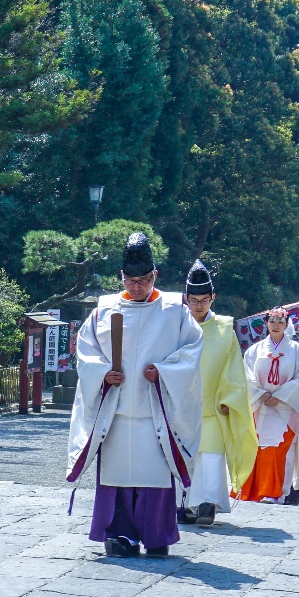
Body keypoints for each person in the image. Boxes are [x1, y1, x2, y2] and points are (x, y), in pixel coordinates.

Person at [68, 233, 203, 558]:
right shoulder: (103, 311)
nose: (137, 286)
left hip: (154, 410)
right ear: (122, 277)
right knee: (117, 476)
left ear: (154, 275)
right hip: (115, 412)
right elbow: (85, 352)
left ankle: (156, 536)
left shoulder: (174, 310)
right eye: (131, 280)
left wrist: (165, 372)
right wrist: (103, 374)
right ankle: (119, 535)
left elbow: (192, 348)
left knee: (154, 478)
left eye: (143, 280)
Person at [177, 261, 252, 525]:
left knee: (210, 455)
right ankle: (182, 504)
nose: (199, 305)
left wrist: (228, 398)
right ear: (185, 298)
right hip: (180, 404)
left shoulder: (224, 328)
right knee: (182, 455)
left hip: (212, 404)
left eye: (205, 300)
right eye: (194, 300)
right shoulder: (176, 324)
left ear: (213, 298)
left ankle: (208, 503)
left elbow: (233, 367)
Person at [239, 308, 299, 503]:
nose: (276, 325)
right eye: (272, 321)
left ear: (286, 324)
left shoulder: (297, 350)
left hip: (285, 408)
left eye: (280, 322)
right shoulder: (254, 350)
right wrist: (261, 394)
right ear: (266, 323)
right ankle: (249, 491)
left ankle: (273, 492)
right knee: (254, 448)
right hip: (259, 407)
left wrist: (280, 396)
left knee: (278, 449)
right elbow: (246, 375)